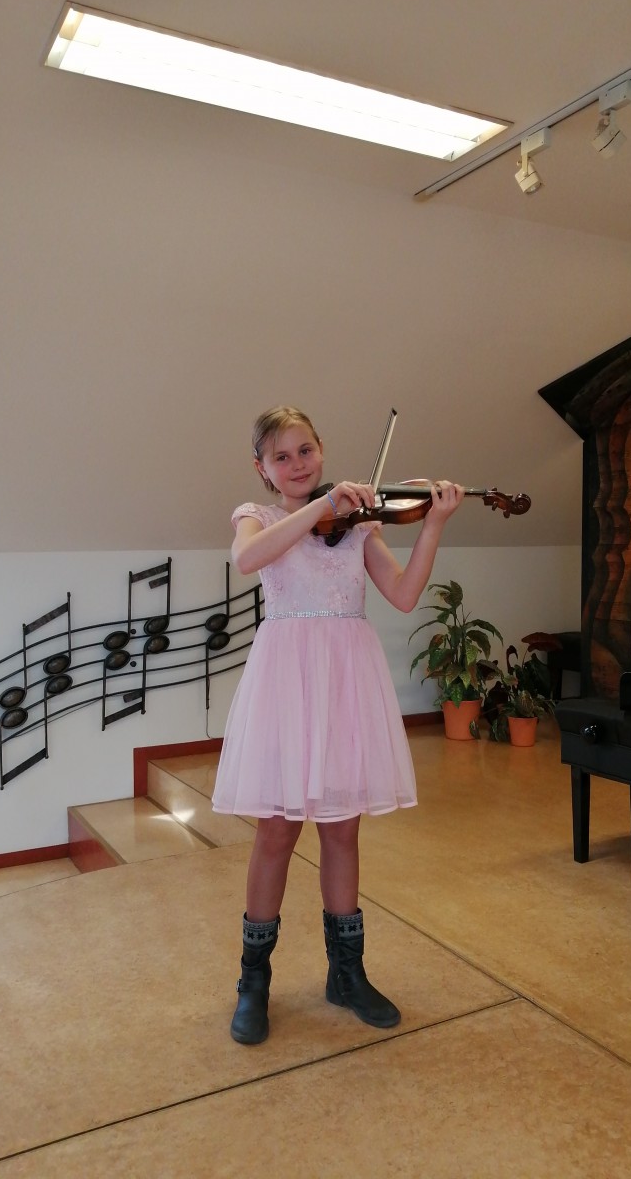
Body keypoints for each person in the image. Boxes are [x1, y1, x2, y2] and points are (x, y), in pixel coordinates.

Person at [213, 406, 464, 1044]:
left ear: (322, 450)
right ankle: (253, 982)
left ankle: (346, 974)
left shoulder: (358, 526)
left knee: (342, 830)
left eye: (306, 451)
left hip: (346, 682)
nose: (297, 464)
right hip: (286, 685)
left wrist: (433, 524)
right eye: (282, 457)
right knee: (276, 831)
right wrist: (320, 507)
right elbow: (248, 560)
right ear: (263, 469)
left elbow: (403, 594)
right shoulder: (257, 516)